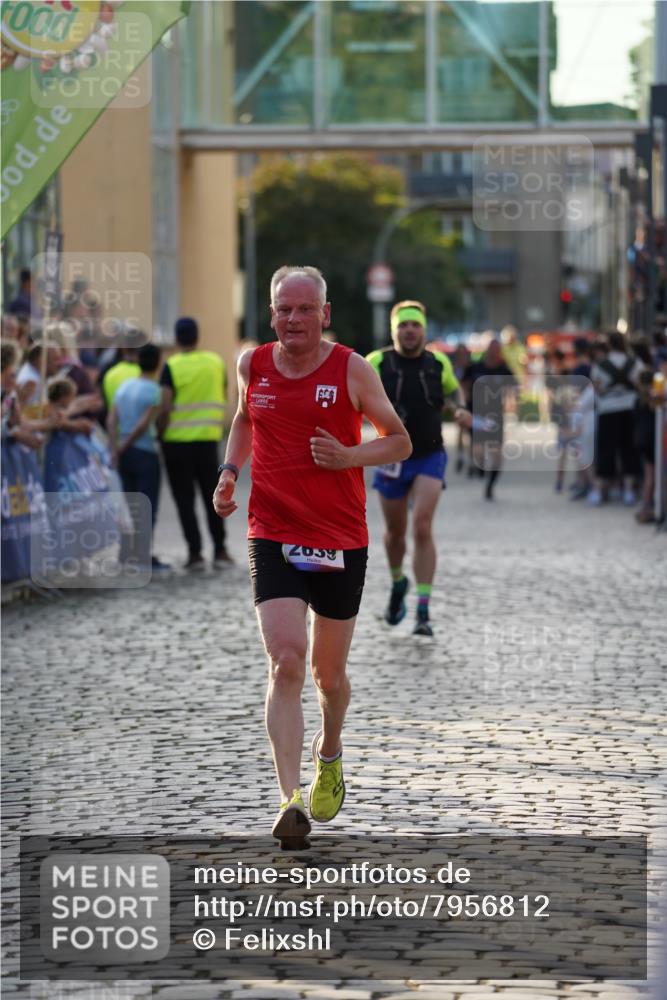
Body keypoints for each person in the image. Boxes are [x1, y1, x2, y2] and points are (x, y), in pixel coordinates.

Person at [212, 265, 411, 849]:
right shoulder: (253, 364)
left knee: (329, 676)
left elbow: (398, 439)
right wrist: (229, 472)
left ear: (324, 313)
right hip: (271, 530)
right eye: (283, 310)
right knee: (287, 662)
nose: (293, 319)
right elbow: (246, 417)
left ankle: (331, 751)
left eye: (304, 310)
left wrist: (349, 456)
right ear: (270, 313)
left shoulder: (352, 368)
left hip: (339, 538)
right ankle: (288, 799)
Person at [366, 300, 468, 637]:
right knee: (396, 533)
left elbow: (454, 394)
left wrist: (460, 411)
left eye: (415, 325)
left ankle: (423, 610)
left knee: (422, 526)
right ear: (394, 330)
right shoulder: (376, 362)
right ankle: (398, 583)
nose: (409, 331)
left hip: (429, 454)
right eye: (403, 326)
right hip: (390, 457)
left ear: (423, 330)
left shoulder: (438, 363)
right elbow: (352, 397)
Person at [159, 317, 231, 569]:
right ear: (197, 336)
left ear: (177, 339)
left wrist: (160, 431)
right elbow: (224, 393)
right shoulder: (215, 362)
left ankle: (195, 553)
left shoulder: (171, 366)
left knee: (184, 500)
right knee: (213, 497)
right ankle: (221, 550)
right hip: (208, 441)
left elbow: (165, 405)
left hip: (176, 444)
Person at [108, 344, 170, 571]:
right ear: (157, 363)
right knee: (146, 505)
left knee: (128, 504)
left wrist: (114, 448)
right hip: (144, 453)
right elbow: (144, 424)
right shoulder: (154, 391)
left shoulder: (124, 387)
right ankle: (143, 555)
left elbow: (111, 419)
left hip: (124, 456)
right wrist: (124, 446)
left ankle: (125, 554)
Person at [589, 331, 644, 506]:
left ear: (609, 345)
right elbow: (641, 384)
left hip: (608, 410)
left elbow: (596, 388)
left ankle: (599, 489)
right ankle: (628, 490)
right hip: (629, 409)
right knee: (629, 448)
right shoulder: (635, 363)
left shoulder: (600, 365)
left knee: (605, 449)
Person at [462, 339, 516, 500]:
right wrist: (463, 402)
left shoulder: (503, 369)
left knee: (497, 455)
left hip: (495, 417)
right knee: (478, 451)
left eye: (497, 349)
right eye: (492, 349)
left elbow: (514, 387)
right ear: (487, 350)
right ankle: (479, 468)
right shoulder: (476, 367)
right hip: (476, 414)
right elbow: (462, 385)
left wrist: (512, 403)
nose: (494, 352)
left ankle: (490, 486)